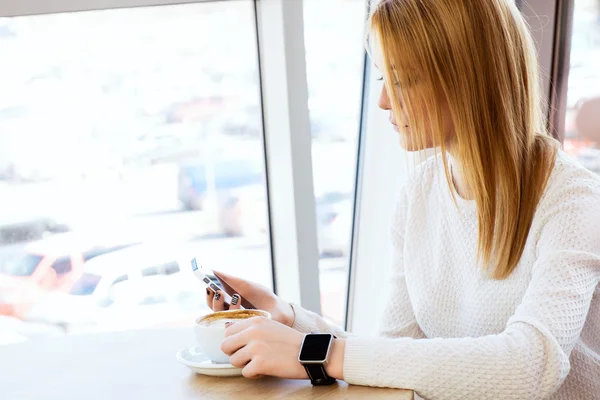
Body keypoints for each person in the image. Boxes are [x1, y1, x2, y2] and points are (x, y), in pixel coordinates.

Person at [205, 1, 600, 399]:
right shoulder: (419, 196)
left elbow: (529, 367)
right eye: (381, 76)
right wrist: (291, 320)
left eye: (402, 79)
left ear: (468, 78)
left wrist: (313, 353)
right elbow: (390, 353)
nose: (383, 101)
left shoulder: (572, 202)